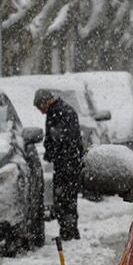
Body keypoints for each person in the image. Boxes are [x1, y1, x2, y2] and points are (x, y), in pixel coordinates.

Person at [34, 88, 85, 240]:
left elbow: (62, 139)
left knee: (65, 198)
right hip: (67, 162)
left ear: (46, 102)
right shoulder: (59, 111)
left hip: (67, 163)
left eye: (40, 108)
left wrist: (52, 151)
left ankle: (68, 231)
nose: (41, 112)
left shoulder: (60, 113)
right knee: (65, 198)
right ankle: (68, 230)